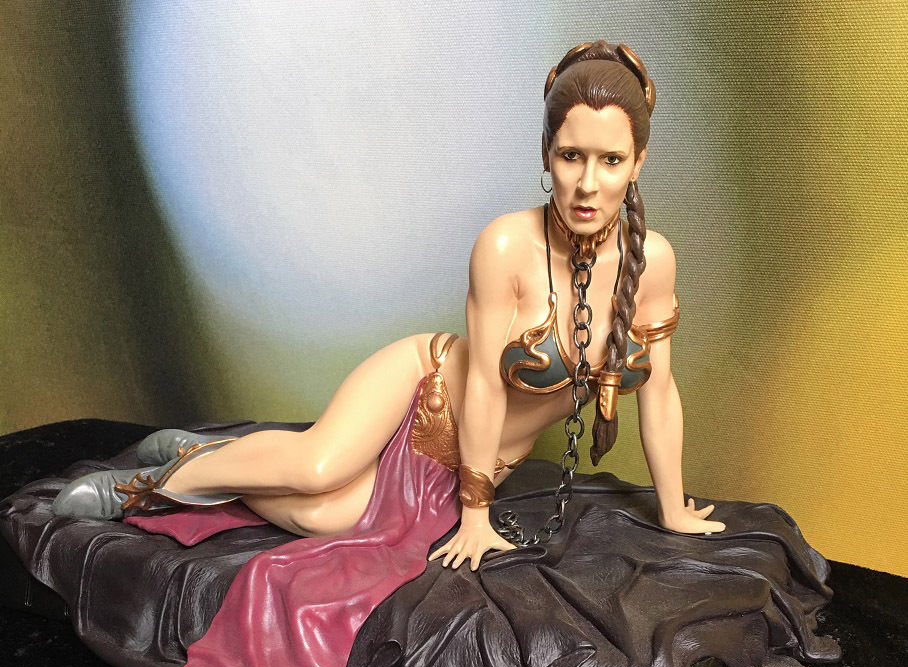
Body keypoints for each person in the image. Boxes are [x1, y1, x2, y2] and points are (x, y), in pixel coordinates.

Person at [53, 40, 722, 571]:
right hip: (423, 389)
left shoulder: (653, 261)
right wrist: (477, 514)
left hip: (475, 457)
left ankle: (209, 457)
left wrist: (672, 509)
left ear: (638, 162)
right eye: (571, 155)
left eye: (611, 160)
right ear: (546, 155)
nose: (588, 183)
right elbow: (485, 385)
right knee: (318, 468)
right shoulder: (505, 246)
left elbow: (659, 391)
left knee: (324, 516)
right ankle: (143, 488)